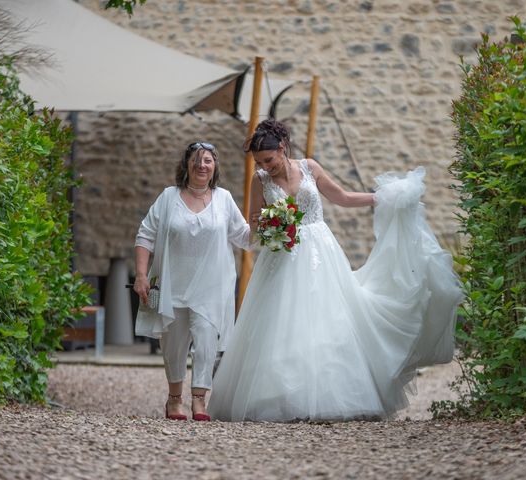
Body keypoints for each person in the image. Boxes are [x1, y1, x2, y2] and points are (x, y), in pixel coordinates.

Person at [208, 119, 463, 422]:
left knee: (331, 317)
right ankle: (283, 398)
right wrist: (270, 225)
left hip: (321, 251)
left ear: (283, 148)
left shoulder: (309, 168)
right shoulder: (259, 180)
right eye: (260, 162)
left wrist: (382, 198)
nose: (266, 167)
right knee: (283, 321)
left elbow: (341, 197)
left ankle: (337, 394)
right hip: (281, 256)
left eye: (269, 160)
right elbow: (253, 222)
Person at [133, 142, 250, 421]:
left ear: (214, 167)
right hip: (173, 284)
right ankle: (174, 399)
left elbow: (244, 236)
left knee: (207, 340)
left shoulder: (224, 199)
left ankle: (199, 400)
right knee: (173, 344)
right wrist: (140, 275)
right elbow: (145, 235)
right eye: (196, 160)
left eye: (208, 161)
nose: (202, 165)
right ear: (186, 165)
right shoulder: (168, 197)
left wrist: (269, 225)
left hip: (211, 286)